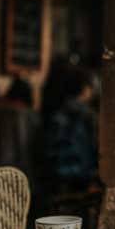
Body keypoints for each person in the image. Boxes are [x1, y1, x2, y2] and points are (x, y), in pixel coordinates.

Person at [39, 62, 97, 191]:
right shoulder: (84, 116)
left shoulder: (58, 113)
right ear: (85, 88)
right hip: (75, 180)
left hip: (59, 179)